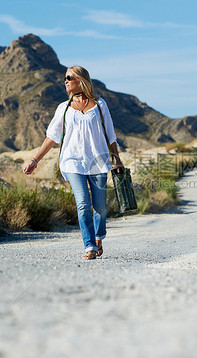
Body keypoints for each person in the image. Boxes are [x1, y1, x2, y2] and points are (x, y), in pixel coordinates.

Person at [23, 66, 124, 260]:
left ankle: (98, 237)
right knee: (83, 204)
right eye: (65, 78)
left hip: (98, 162)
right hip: (73, 162)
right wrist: (35, 160)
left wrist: (117, 160)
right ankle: (89, 247)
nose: (66, 81)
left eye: (69, 77)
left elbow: (111, 135)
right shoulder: (64, 108)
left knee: (100, 207)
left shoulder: (100, 105)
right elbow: (51, 138)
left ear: (81, 80)